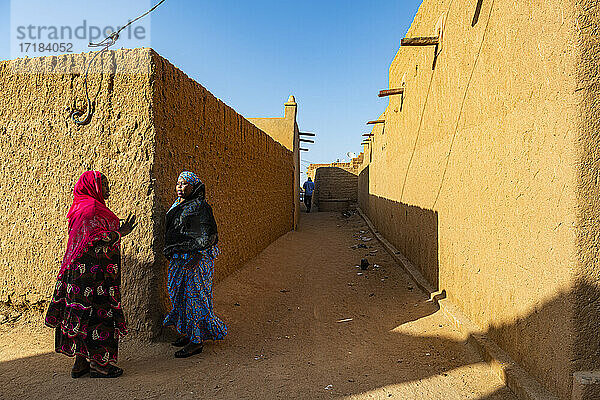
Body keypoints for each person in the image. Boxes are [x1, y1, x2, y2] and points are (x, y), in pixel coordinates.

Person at [45, 171, 136, 378]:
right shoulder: (91, 209)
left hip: (78, 275)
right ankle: (99, 365)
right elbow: (95, 238)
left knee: (83, 314)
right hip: (94, 277)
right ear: (92, 186)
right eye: (103, 184)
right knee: (98, 314)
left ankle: (80, 363)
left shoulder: (79, 208)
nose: (107, 189)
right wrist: (120, 233)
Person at [163, 171, 227, 358]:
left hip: (195, 261)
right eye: (178, 183)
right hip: (179, 259)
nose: (180, 187)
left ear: (194, 187)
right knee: (178, 295)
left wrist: (197, 255)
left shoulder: (201, 207)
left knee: (194, 299)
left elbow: (209, 236)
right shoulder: (178, 204)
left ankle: (196, 341)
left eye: (184, 184)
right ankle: (189, 333)